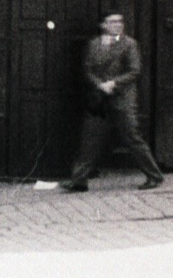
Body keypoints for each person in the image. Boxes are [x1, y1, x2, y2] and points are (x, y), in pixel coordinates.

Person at [62, 11, 164, 192]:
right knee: (89, 139)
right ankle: (79, 180)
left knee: (132, 138)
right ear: (103, 25)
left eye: (120, 22)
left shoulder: (129, 44)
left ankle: (154, 176)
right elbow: (87, 69)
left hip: (122, 99)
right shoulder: (94, 44)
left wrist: (114, 83)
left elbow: (134, 71)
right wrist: (100, 84)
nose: (118, 25)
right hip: (100, 99)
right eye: (113, 22)